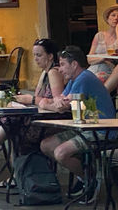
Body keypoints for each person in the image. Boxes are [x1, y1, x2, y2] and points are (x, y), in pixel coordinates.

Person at [0, 38, 65, 156]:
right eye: (34, 55)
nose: (35, 59)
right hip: (41, 113)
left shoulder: (53, 73)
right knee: (12, 121)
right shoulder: (45, 72)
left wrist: (30, 99)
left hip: (52, 118)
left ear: (50, 56)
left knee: (14, 123)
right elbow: (38, 97)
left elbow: (57, 102)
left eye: (39, 55)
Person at [40, 46, 115, 187]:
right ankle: (85, 176)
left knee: (61, 153)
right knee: (46, 145)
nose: (59, 69)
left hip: (101, 130)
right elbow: (60, 99)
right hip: (85, 129)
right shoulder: (74, 80)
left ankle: (89, 179)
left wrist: (45, 103)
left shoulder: (84, 78)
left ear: (74, 64)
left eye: (62, 64)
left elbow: (63, 106)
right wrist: (53, 101)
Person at [87, 4, 118, 85]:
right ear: (107, 19)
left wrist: (117, 31)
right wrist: (103, 58)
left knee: (97, 79)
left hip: (109, 70)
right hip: (94, 67)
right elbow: (89, 59)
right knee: (82, 79)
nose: (116, 18)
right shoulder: (99, 35)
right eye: (113, 15)